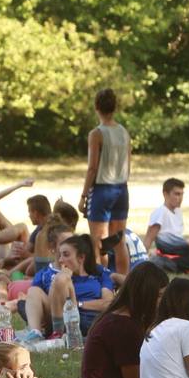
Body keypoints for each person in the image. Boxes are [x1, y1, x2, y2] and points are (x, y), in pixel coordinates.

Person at [81, 262, 167, 378]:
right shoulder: (125, 327)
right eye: (160, 296)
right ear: (146, 296)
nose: (162, 302)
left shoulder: (118, 318)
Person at [21, 234, 115, 340]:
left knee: (61, 280)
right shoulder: (58, 276)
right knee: (34, 290)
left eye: (66, 255)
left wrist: (78, 304)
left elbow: (108, 303)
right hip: (58, 318)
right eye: (60, 255)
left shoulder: (99, 273)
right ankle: (36, 333)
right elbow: (52, 305)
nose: (61, 260)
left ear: (81, 257)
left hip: (87, 320)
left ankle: (58, 335)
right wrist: (61, 280)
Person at [79, 88, 132, 275]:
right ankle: (124, 281)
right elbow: (128, 164)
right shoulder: (124, 132)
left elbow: (92, 167)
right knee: (119, 240)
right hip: (122, 189)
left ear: (96, 107)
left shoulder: (96, 134)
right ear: (115, 107)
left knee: (97, 242)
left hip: (102, 190)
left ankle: (101, 282)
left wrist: (84, 195)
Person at [144, 177, 189, 257]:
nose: (180, 198)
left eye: (182, 194)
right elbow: (148, 239)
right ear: (165, 194)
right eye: (177, 194)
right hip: (170, 248)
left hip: (179, 247)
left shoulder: (177, 211)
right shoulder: (160, 213)